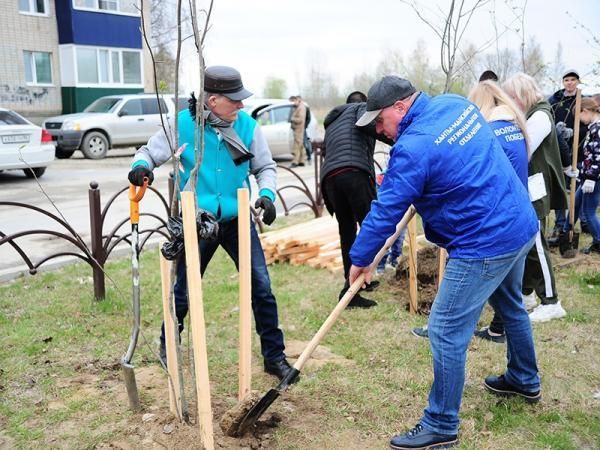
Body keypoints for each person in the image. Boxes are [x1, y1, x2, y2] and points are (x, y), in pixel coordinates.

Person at [349, 75, 540, 449]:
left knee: (445, 329)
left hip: (484, 242)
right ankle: (523, 378)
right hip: (518, 223)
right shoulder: (456, 105)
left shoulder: (413, 146)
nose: (379, 130)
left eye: (380, 121)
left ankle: (441, 423)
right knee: (511, 305)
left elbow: (386, 208)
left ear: (400, 107)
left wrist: (360, 258)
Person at [127, 65, 296, 382]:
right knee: (184, 290)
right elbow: (150, 152)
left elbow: (265, 167)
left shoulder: (247, 126)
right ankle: (169, 349)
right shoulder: (182, 124)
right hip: (197, 220)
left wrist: (268, 195)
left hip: (237, 221)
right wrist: (140, 167)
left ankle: (274, 358)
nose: (241, 105)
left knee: (261, 288)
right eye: (235, 100)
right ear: (213, 99)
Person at [466, 80, 531, 343]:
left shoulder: (489, 132)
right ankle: (523, 375)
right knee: (512, 302)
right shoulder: (515, 127)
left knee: (474, 290)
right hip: (520, 218)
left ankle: (450, 328)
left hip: (499, 222)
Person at [503, 73, 569, 322]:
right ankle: (528, 293)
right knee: (528, 244)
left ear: (522, 94)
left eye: (512, 97)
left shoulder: (540, 115)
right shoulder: (532, 114)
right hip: (529, 186)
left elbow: (523, 148)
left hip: (535, 187)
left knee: (537, 245)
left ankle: (552, 302)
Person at [321, 90, 392, 308]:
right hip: (354, 173)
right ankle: (353, 285)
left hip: (330, 179)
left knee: (347, 230)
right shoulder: (361, 111)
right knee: (372, 226)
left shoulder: (333, 122)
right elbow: (384, 132)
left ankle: (354, 286)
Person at [547, 69, 588, 243]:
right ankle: (560, 224)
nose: (570, 82)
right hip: (559, 152)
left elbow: (591, 122)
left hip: (578, 152)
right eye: (566, 80)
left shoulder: (584, 101)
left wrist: (576, 132)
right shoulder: (555, 101)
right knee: (560, 187)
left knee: (579, 190)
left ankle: (578, 223)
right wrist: (557, 130)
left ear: (578, 82)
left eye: (573, 79)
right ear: (563, 82)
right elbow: (547, 120)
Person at [573, 96, 600, 254]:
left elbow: (598, 157)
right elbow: (589, 158)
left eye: (580, 116)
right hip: (588, 176)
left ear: (586, 111)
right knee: (576, 203)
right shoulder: (593, 127)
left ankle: (598, 241)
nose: (580, 120)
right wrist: (579, 169)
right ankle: (565, 231)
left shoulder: (597, 129)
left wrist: (590, 177)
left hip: (594, 179)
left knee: (589, 212)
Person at [289, 95, 307, 167]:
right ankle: (302, 161)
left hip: (298, 129)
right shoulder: (299, 107)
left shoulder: (301, 108)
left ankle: (295, 162)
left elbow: (300, 119)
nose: (293, 103)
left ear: (298, 100)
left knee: (297, 146)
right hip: (298, 129)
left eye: (294, 101)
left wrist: (292, 118)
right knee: (300, 145)